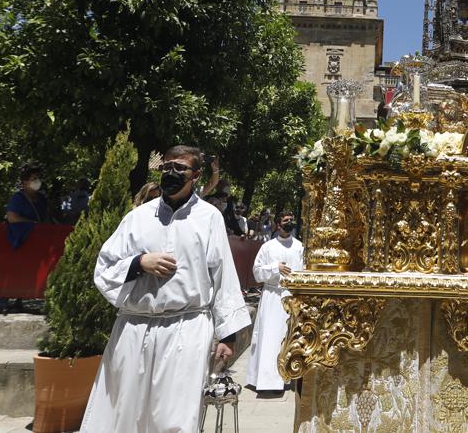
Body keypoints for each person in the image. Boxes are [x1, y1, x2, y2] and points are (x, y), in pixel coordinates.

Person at [81, 145, 250, 432]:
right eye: (166, 167)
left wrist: (228, 336)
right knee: (123, 409)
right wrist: (138, 263)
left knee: (176, 415)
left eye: (179, 168)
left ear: (195, 175)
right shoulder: (138, 217)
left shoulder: (209, 218)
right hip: (134, 327)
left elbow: (224, 276)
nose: (171, 173)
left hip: (187, 328)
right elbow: (105, 267)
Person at [245, 211, 305, 394]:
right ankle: (266, 381)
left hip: (291, 296)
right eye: (285, 220)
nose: (289, 222)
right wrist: (275, 267)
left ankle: (286, 377)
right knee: (269, 338)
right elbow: (257, 272)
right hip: (272, 296)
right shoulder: (268, 247)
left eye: (291, 220)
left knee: (286, 339)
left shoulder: (299, 247)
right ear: (278, 224)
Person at [5, 162, 49, 249]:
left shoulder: (41, 198)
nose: (37, 181)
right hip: (23, 243)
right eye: (34, 179)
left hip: (40, 241)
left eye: (39, 178)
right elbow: (12, 218)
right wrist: (33, 223)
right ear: (25, 182)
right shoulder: (18, 198)